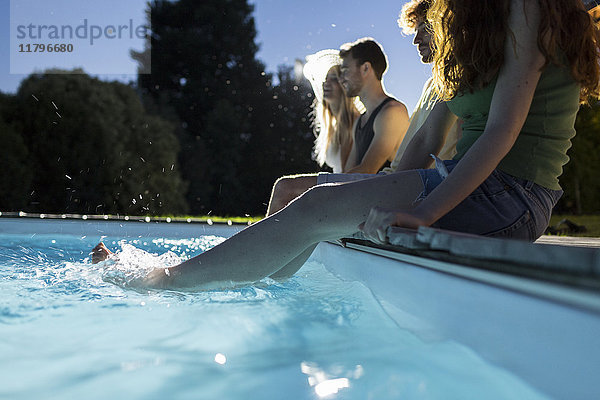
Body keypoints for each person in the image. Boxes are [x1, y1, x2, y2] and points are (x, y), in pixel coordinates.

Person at [130, 0, 598, 290]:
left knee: (316, 207)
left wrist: (423, 211)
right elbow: (423, 148)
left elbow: (502, 132)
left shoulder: (528, 6)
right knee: (311, 202)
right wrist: (373, 191)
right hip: (467, 183)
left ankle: (168, 282)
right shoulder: (479, 34)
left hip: (511, 195)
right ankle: (247, 281)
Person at [267, 38, 410, 215]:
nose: (342, 79)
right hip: (363, 195)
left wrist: (316, 191)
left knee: (285, 187)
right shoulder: (362, 120)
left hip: (382, 200)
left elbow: (368, 170)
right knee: (288, 190)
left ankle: (260, 242)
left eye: (345, 71)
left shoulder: (392, 111)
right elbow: (348, 172)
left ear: (365, 69)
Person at [303, 50, 362, 174]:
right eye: (326, 78)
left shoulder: (353, 122)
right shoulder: (334, 125)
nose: (326, 83)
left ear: (344, 85)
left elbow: (346, 174)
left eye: (334, 79)